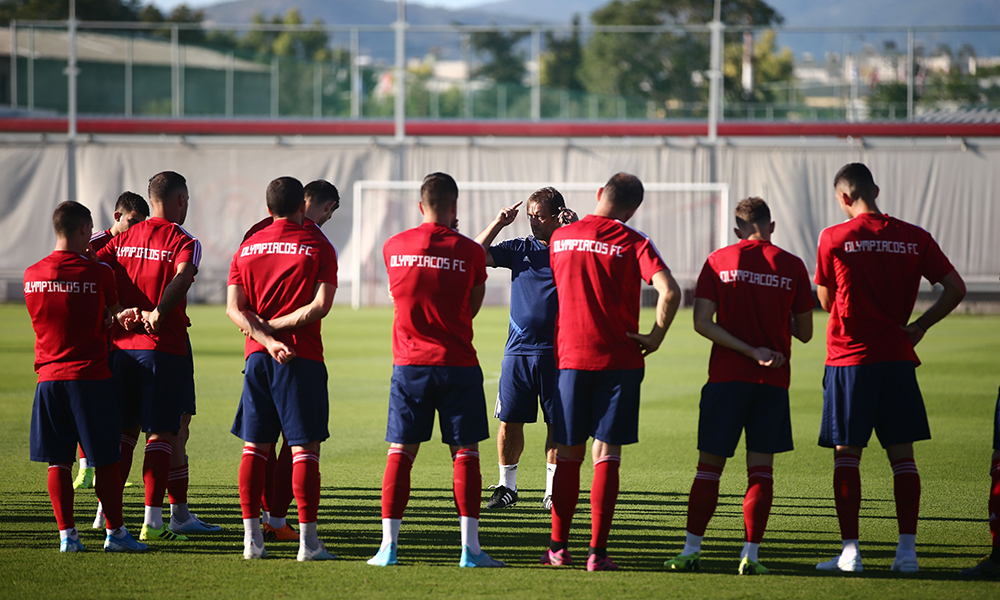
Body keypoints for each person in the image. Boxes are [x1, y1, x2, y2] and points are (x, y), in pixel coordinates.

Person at [813, 163, 966, 574]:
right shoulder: (914, 237)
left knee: (848, 456)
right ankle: (907, 553)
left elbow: (826, 302)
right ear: (875, 189)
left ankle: (851, 554)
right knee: (903, 458)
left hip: (850, 360)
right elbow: (956, 288)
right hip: (897, 357)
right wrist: (919, 326)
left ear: (844, 197)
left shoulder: (834, 236)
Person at [663, 197, 814, 575]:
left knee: (708, 470)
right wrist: (773, 329)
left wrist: (749, 348)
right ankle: (751, 555)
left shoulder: (719, 260)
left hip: (727, 380)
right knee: (761, 471)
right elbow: (807, 333)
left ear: (737, 230)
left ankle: (691, 550)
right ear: (771, 227)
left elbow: (702, 322)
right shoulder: (792, 265)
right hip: (772, 382)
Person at [544, 172, 681, 571]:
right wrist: (655, 336)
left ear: (600, 194)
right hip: (619, 360)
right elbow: (669, 291)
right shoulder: (634, 241)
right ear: (633, 208)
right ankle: (597, 554)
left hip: (571, 358)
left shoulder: (560, 238)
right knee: (606, 455)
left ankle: (557, 548)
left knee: (569, 454)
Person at [369, 172, 504, 569]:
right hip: (458, 363)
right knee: (465, 453)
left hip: (409, 365)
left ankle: (388, 548)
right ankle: (470, 550)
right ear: (454, 206)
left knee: (400, 452)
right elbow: (473, 302)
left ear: (420, 205)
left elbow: (397, 296)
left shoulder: (393, 247)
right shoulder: (471, 252)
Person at [96, 171, 214, 543]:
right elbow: (182, 277)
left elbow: (91, 263)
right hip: (164, 347)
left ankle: (106, 514)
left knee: (123, 433)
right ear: (180, 200)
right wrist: (160, 312)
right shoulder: (185, 240)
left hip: (121, 348)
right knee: (163, 432)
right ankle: (153, 519)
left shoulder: (123, 237)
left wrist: (116, 311)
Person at [227, 176, 338, 561]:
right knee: (304, 449)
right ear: (301, 206)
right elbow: (320, 306)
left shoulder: (249, 245)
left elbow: (234, 309)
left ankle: (251, 541)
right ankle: (308, 544)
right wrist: (278, 333)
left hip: (256, 357)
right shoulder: (317, 244)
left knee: (254, 448)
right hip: (300, 356)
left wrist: (263, 336)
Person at [25, 200, 146, 553]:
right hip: (90, 376)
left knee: (59, 460)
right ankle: (116, 534)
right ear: (82, 230)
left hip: (48, 378)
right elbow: (112, 314)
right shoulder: (99, 273)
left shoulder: (32, 275)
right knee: (107, 459)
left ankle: (68, 536)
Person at [473, 187, 577, 510]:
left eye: (539, 217)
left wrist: (575, 228)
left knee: (556, 425)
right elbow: (474, 254)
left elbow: (596, 257)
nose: (533, 222)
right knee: (509, 422)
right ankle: (508, 488)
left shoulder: (572, 246)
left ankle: (552, 491)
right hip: (517, 352)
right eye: (530, 216)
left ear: (558, 214)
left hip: (558, 354)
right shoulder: (518, 248)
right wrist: (498, 223)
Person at [73, 191, 150, 490]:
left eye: (142, 222)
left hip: (122, 336)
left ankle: (105, 466)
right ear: (117, 217)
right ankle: (85, 467)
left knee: (117, 409)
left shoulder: (138, 245)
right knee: (88, 403)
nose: (137, 228)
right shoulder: (92, 244)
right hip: (95, 336)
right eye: (133, 221)